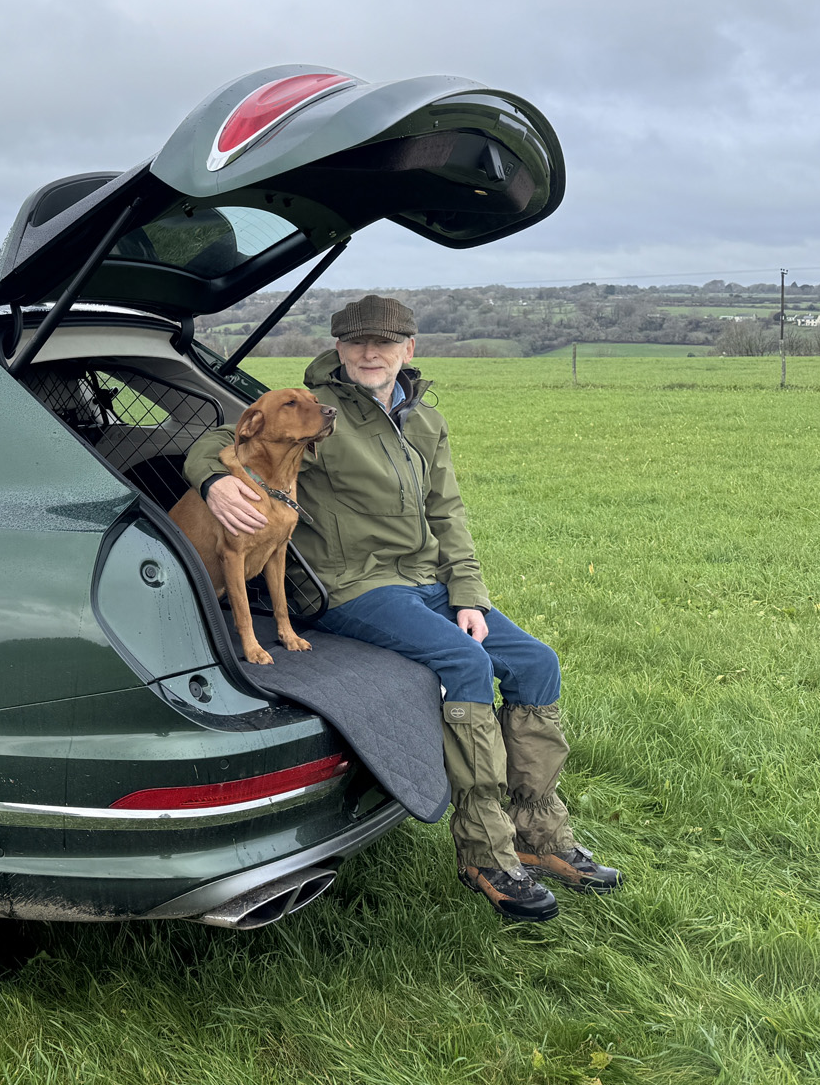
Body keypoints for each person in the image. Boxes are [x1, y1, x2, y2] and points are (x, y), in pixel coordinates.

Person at [183, 295, 620, 922]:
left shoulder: (425, 424)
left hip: (426, 581)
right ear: (339, 350)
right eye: (356, 342)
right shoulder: (318, 417)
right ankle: (486, 855)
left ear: (407, 350)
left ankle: (540, 835)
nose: (370, 353)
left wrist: (468, 595)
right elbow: (222, 440)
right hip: (352, 586)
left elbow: (448, 513)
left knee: (536, 664)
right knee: (466, 665)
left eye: (385, 342)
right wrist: (215, 481)